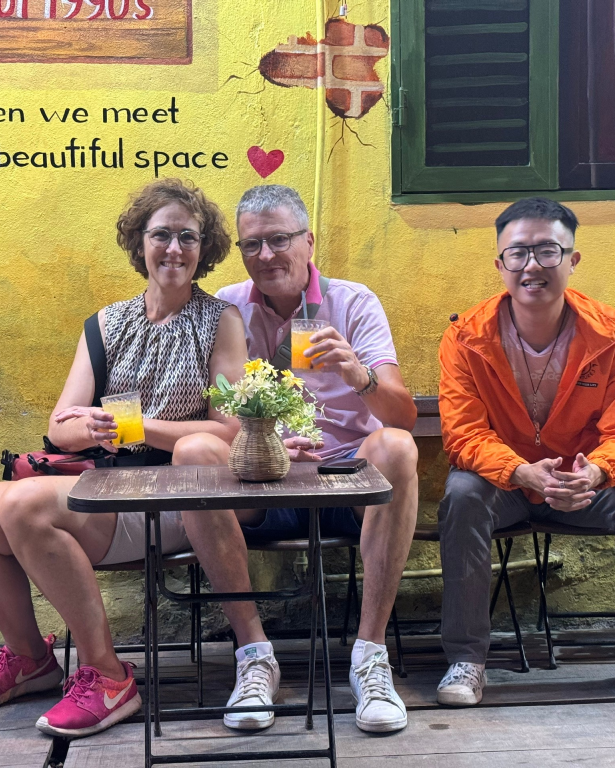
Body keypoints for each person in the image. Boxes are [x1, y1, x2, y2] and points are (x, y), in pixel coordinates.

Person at [0, 179, 247, 739]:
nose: (174, 248)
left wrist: (134, 426)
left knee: (30, 502)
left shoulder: (220, 320)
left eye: (188, 236)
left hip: (176, 493)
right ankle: (30, 659)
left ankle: (107, 677)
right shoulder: (106, 322)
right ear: (140, 242)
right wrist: (87, 428)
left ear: (205, 249)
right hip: (103, 484)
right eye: (162, 235)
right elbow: (59, 423)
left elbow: (229, 430)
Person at [435, 196, 615, 707]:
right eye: (517, 253)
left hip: (585, 483)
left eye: (548, 251)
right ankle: (467, 659)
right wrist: (521, 471)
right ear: (499, 264)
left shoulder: (614, 335)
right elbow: (463, 434)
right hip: (509, 485)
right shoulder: (465, 337)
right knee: (461, 492)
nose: (532, 266)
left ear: (573, 259)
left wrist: (597, 472)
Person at [172, 184, 418, 734]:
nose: (266, 256)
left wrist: (360, 375)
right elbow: (218, 412)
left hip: (346, 478)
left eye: (279, 240)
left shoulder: (353, 302)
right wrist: (260, 445)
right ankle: (255, 655)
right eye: (252, 244)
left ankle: (371, 656)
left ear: (308, 241)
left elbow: (401, 415)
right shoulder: (227, 308)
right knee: (193, 451)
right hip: (260, 479)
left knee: (397, 447)